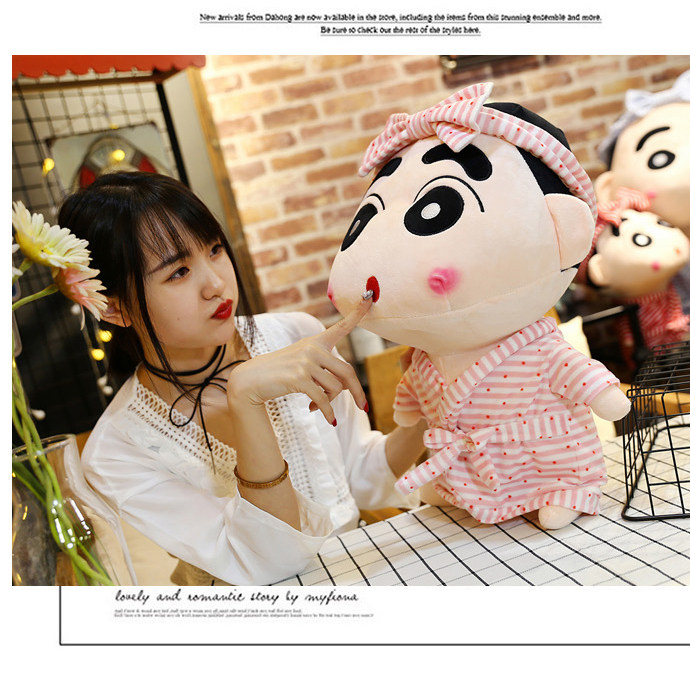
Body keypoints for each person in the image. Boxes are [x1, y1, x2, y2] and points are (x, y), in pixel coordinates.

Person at [58, 172, 425, 586]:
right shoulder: (116, 451)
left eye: (214, 249)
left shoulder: (297, 336)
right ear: (114, 309)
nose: (216, 284)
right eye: (178, 272)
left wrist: (427, 405)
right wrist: (245, 395)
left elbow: (360, 479)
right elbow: (268, 563)